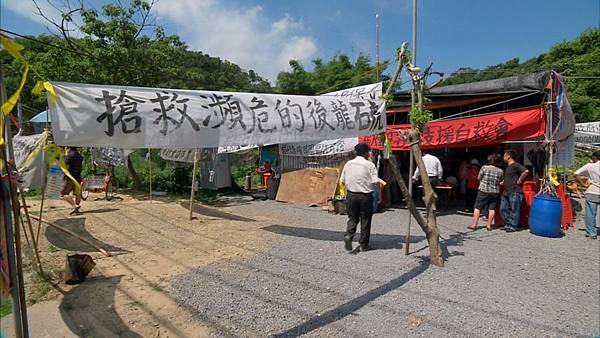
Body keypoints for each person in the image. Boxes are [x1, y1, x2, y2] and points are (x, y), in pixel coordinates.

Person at [340, 143, 382, 252]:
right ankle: (364, 245)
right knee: (366, 219)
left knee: (353, 218)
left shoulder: (348, 164)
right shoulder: (370, 165)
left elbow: (342, 181)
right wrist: (379, 195)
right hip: (365, 196)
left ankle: (349, 235)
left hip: (351, 195)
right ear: (365, 153)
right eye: (368, 151)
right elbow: (375, 182)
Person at [468, 154, 504, 231]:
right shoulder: (500, 171)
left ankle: (474, 224)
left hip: (483, 190)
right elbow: (500, 180)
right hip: (495, 191)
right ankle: (489, 225)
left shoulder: (484, 168)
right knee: (492, 208)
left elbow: (479, 178)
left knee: (477, 207)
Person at [500, 149, 529, 232]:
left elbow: (526, 171)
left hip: (515, 190)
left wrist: (520, 179)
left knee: (514, 209)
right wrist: (503, 181)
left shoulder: (516, 165)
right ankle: (507, 224)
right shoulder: (508, 167)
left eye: (504, 155)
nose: (503, 157)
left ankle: (513, 226)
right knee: (503, 208)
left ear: (508, 156)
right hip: (506, 190)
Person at [574, 150, 600, 239]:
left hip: (592, 191)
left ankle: (591, 233)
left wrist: (583, 184)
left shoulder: (590, 166)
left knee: (590, 213)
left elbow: (576, 173)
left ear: (595, 157)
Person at [62, 147, 84, 215]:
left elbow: (65, 165)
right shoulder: (80, 156)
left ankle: (75, 205)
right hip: (78, 177)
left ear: (69, 148)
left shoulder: (69, 156)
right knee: (78, 194)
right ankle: (76, 210)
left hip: (70, 178)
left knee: (64, 193)